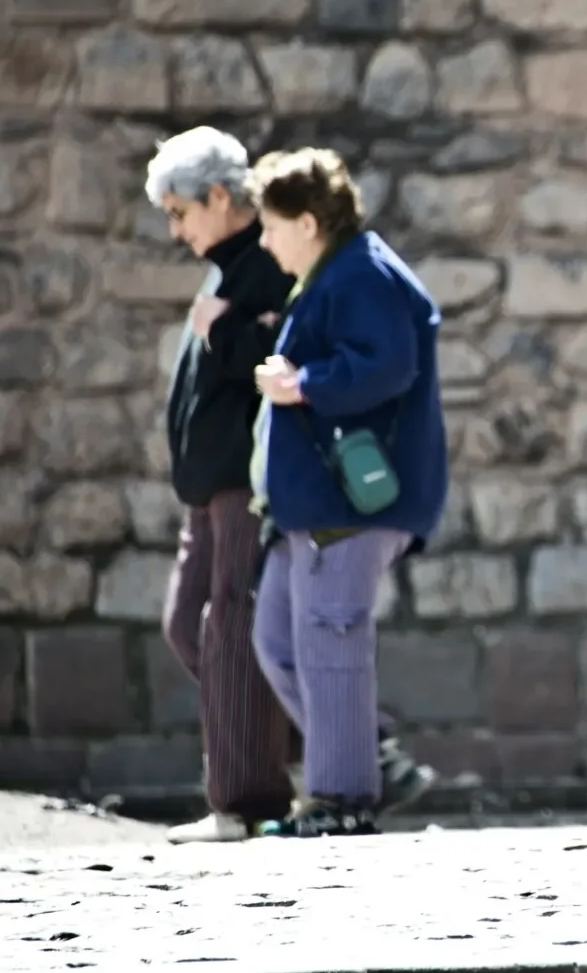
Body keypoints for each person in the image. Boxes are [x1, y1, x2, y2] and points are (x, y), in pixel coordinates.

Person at [245, 148, 449, 838]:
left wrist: (300, 383)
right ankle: (372, 763)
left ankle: (341, 800)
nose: (264, 241)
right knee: (277, 639)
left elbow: (386, 365)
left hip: (347, 507)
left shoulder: (362, 274)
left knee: (330, 644)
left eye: (271, 226)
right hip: (315, 508)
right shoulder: (340, 271)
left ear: (307, 222)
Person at [145, 127, 299, 844]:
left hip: (242, 485)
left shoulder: (263, 263)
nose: (176, 230)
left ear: (217, 196)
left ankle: (245, 802)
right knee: (190, 625)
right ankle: (302, 738)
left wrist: (228, 330)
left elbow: (271, 362)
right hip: (205, 491)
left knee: (231, 628)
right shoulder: (223, 267)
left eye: (181, 211)